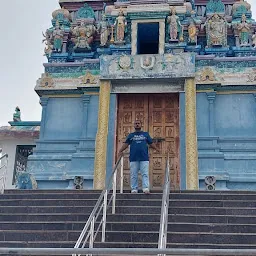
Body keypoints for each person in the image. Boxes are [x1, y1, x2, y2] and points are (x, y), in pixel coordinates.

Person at [118, 120, 158, 194]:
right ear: (134, 125)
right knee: (134, 174)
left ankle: (145, 188)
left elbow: (151, 143)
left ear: (141, 125)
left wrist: (156, 149)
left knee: (145, 174)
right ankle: (134, 189)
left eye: (138, 123)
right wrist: (120, 151)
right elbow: (126, 144)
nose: (137, 125)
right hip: (133, 158)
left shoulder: (145, 134)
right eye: (135, 124)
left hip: (144, 158)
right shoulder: (131, 135)